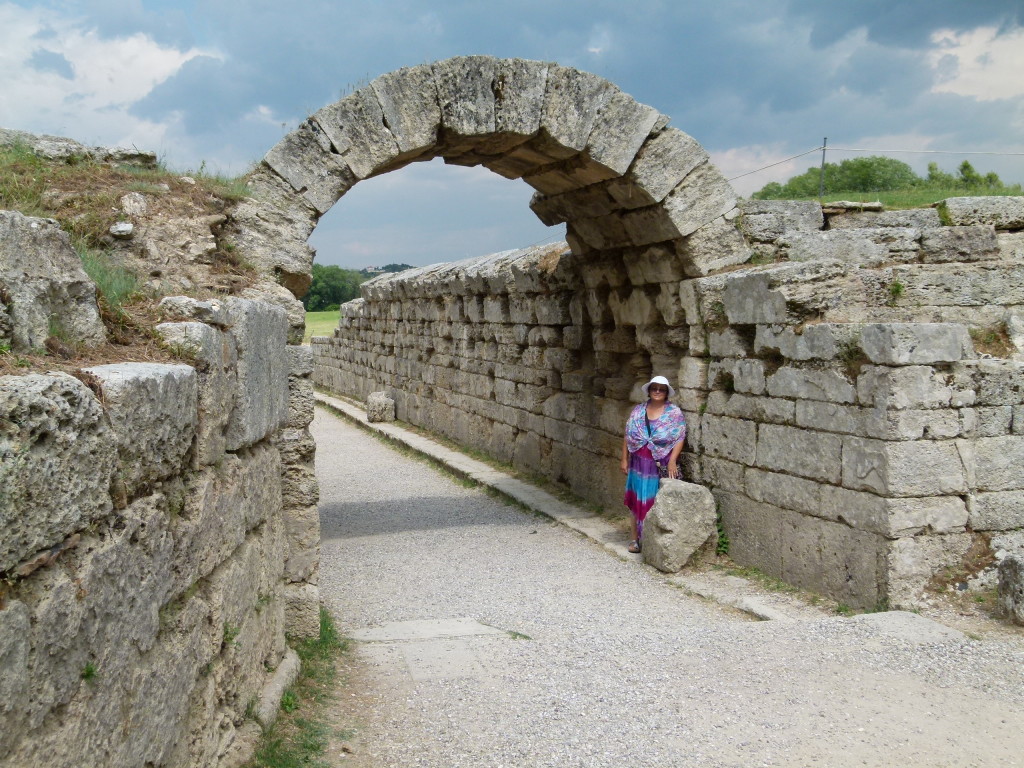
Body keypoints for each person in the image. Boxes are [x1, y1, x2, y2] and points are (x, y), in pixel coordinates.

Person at [620, 375, 687, 553]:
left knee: (654, 500)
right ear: (649, 391)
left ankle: (652, 541)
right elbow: (628, 434)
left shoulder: (673, 413)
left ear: (666, 393)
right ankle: (635, 539)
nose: (657, 391)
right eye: (654, 388)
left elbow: (680, 437)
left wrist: (673, 460)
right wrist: (624, 459)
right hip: (638, 463)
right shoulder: (638, 410)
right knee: (636, 500)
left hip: (659, 464)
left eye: (661, 389)